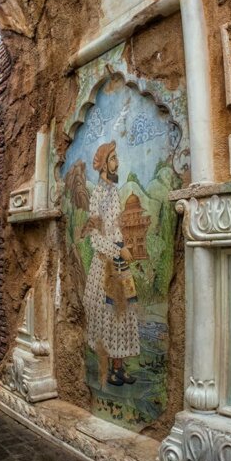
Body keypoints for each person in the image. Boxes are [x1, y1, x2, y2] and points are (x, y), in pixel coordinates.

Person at [84, 141, 140, 387]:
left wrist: (122, 249)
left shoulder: (113, 192)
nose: (117, 162)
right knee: (108, 317)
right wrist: (117, 250)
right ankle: (107, 371)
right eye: (114, 158)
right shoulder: (97, 195)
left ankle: (119, 368)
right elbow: (95, 239)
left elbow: (116, 229)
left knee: (123, 315)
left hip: (119, 262)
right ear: (104, 164)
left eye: (117, 157)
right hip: (104, 266)